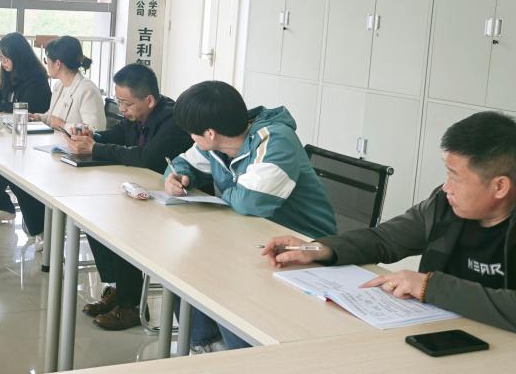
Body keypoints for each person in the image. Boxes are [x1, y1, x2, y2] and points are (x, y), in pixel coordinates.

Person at [263, 111, 516, 332]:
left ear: (500, 186)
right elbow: (384, 239)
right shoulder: (444, 206)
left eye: (455, 177)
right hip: (443, 334)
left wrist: (429, 286)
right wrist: (318, 249)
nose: (446, 187)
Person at [165, 80, 336, 351]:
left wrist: (229, 192)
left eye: (192, 133)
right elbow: (182, 163)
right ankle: (208, 345)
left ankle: (238, 356)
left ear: (210, 133)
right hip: (249, 239)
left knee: (222, 284)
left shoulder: (275, 140)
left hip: (302, 248)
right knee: (182, 268)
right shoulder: (218, 144)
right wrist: (177, 176)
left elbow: (252, 202)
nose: (191, 138)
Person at [68, 63, 193, 330]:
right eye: (119, 102)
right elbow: (118, 135)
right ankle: (118, 287)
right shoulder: (138, 115)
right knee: (95, 217)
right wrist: (93, 136)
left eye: (126, 104)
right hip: (143, 192)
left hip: (173, 203)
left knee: (121, 226)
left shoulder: (173, 122)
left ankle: (131, 306)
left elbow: (147, 158)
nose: (121, 109)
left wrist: (95, 148)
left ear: (149, 100)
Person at [0, 33, 52, 242]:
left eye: (5, 58)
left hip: (34, 138)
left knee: (5, 163)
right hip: (16, 133)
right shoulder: (11, 73)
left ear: (18, 56)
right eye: (0, 58)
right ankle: (1, 206)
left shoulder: (36, 79)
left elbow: (23, 108)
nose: (3, 63)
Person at [34, 36, 106, 133]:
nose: (46, 65)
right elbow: (53, 118)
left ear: (57, 64)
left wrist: (63, 125)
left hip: (70, 143)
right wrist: (38, 117)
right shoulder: (59, 85)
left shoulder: (88, 90)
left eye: (46, 61)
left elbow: (95, 129)